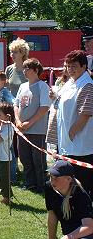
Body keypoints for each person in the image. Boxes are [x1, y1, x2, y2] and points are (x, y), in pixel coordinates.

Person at [47, 50, 93, 199]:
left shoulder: (86, 85)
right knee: (70, 187)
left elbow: (86, 113)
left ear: (84, 66)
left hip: (80, 148)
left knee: (82, 187)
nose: (70, 69)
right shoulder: (71, 83)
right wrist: (55, 96)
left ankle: (84, 217)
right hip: (67, 145)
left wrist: (71, 133)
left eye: (74, 66)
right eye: (67, 66)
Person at [14, 58, 51, 192]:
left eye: (27, 68)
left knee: (38, 160)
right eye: (23, 68)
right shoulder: (23, 86)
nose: (24, 71)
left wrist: (30, 123)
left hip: (37, 130)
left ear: (35, 70)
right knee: (25, 158)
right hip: (22, 130)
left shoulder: (42, 86)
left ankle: (42, 185)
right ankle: (29, 183)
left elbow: (44, 108)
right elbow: (16, 104)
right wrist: (18, 121)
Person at [45, 160, 93, 239]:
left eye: (56, 177)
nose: (52, 181)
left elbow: (89, 227)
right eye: (51, 176)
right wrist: (52, 237)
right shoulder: (49, 188)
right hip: (69, 234)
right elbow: (52, 213)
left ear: (69, 179)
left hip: (85, 235)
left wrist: (67, 237)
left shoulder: (81, 195)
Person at [5, 38, 30, 177]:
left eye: (15, 52)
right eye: (11, 52)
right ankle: (13, 170)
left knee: (25, 142)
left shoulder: (28, 69)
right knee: (12, 141)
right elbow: (7, 89)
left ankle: (29, 170)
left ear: (23, 53)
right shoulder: (9, 69)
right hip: (11, 109)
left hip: (25, 110)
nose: (12, 55)